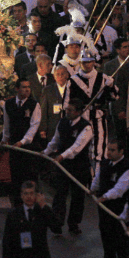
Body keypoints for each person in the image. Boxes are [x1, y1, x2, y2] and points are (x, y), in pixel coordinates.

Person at [42, 99, 92, 235]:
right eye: (67, 109)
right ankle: (57, 222)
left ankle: (74, 224)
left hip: (79, 166)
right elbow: (55, 141)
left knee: (77, 196)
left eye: (70, 110)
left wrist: (62, 156)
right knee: (60, 194)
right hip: (63, 165)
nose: (67, 112)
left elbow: (77, 147)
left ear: (78, 112)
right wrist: (45, 152)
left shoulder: (86, 128)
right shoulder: (62, 122)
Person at [68, 49, 118, 169]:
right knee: (81, 149)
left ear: (94, 62)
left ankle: (98, 177)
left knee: (99, 150)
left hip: (98, 118)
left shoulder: (103, 78)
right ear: (80, 63)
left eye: (90, 62)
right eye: (85, 62)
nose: (88, 65)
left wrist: (111, 86)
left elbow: (115, 96)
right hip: (81, 119)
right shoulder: (73, 80)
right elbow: (67, 103)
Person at [90, 139, 129, 258]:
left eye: (112, 150)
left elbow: (119, 190)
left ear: (121, 151)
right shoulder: (104, 164)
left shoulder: (128, 169)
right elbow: (98, 179)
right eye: (108, 149)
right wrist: (92, 190)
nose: (109, 153)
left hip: (120, 213)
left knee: (121, 246)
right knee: (107, 246)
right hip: (105, 212)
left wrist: (104, 197)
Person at [2, 180, 59, 258]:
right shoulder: (13, 215)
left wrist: (43, 205)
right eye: (26, 193)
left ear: (37, 195)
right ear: (21, 196)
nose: (29, 197)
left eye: (31, 193)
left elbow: (56, 227)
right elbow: (7, 241)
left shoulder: (42, 212)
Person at [2, 78, 42, 190]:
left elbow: (34, 126)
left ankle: (31, 203)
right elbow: (6, 124)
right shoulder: (8, 104)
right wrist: (5, 139)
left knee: (29, 176)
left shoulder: (34, 105)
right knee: (16, 176)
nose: (27, 90)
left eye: (28, 87)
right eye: (24, 87)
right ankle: (18, 203)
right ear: (17, 89)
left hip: (29, 147)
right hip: (14, 145)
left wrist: (22, 142)